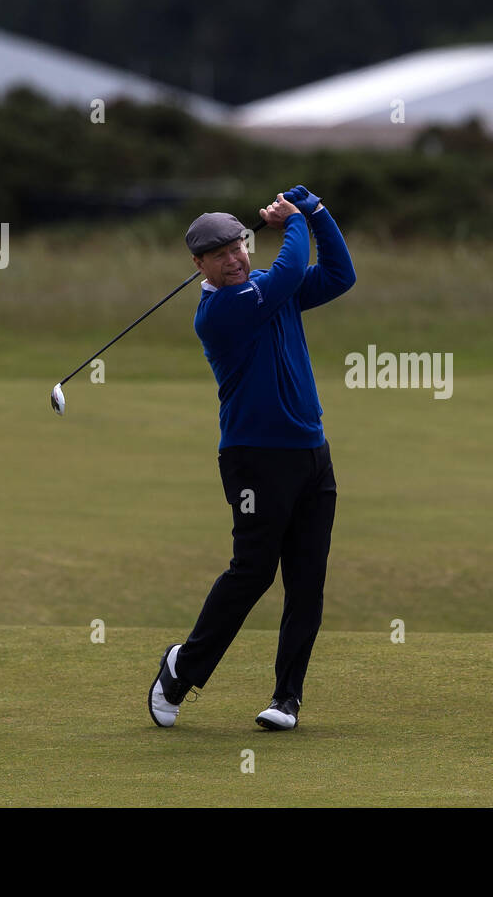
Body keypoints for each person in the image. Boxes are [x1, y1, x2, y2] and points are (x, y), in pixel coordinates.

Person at [148, 186, 355, 731]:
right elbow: (290, 271)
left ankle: (287, 698)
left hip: (313, 453)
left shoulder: (267, 287)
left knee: (307, 580)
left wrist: (317, 210)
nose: (234, 258)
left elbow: (339, 275)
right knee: (254, 572)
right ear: (200, 266)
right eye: (219, 254)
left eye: (238, 246)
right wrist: (293, 221)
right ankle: (180, 671)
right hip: (254, 460)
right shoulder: (222, 310)